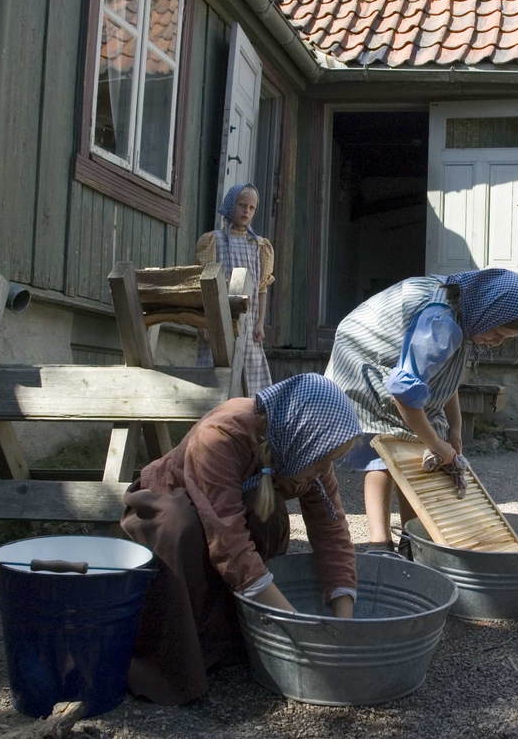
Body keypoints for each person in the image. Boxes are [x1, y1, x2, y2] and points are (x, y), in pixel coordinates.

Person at [120, 373, 361, 705]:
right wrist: (297, 627)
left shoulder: (305, 450)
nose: (324, 472)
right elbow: (228, 542)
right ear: (300, 439)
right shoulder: (219, 437)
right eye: (320, 464)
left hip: (221, 510)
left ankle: (233, 638)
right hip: (165, 511)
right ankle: (177, 662)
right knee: (183, 528)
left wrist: (342, 625)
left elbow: (331, 530)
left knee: (267, 514)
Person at [325, 269, 518, 555]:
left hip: (401, 370)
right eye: (498, 333)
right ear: (487, 309)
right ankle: (379, 543)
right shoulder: (441, 324)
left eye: (506, 338)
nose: (497, 342)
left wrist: (454, 429)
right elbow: (405, 393)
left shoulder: (467, 314)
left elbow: (441, 377)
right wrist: (436, 443)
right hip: (366, 359)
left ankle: (413, 536)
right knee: (383, 455)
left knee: (418, 456)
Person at [195, 183, 274, 393]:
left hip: (248, 325)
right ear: (232, 205)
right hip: (218, 321)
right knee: (217, 376)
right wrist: (203, 321)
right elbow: (203, 285)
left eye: (251, 208)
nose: (246, 211)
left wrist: (260, 323)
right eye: (241, 205)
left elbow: (262, 287)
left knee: (249, 380)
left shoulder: (259, 246)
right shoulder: (214, 241)